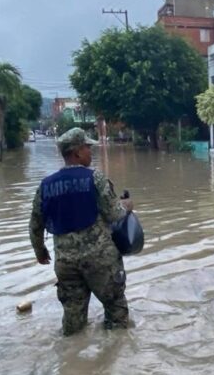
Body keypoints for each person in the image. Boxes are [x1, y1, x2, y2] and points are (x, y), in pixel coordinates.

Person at [28, 128, 134, 336]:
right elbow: (114, 214)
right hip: (100, 260)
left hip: (66, 264)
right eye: (87, 147)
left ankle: (73, 354)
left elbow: (35, 225)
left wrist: (40, 251)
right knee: (116, 312)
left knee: (73, 320)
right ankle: (116, 351)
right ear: (76, 152)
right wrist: (127, 205)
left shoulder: (46, 186)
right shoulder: (95, 178)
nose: (90, 152)